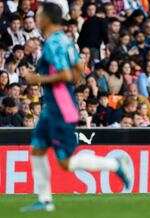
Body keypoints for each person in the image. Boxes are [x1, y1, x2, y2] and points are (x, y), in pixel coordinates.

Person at [20, 3, 131, 212]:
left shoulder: (54, 43)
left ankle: (115, 165)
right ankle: (44, 200)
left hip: (60, 107)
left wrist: (38, 78)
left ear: (47, 19)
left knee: (65, 162)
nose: (36, 19)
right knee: (36, 149)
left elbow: (66, 74)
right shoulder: (65, 40)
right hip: (53, 105)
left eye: (39, 15)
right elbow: (79, 67)